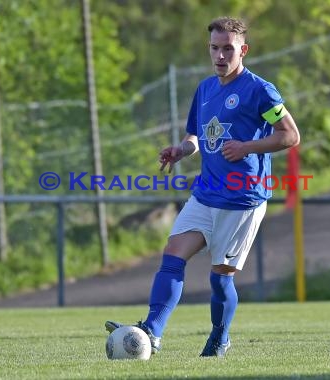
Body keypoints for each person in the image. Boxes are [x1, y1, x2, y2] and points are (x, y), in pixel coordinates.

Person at [105, 16, 300, 357]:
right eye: (215, 48)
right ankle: (152, 332)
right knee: (172, 256)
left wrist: (246, 147)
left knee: (220, 278)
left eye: (228, 49)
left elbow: (289, 135)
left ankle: (220, 337)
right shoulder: (207, 89)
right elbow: (197, 135)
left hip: (242, 198)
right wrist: (181, 150)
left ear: (244, 50)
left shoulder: (260, 92)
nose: (220, 56)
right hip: (206, 193)